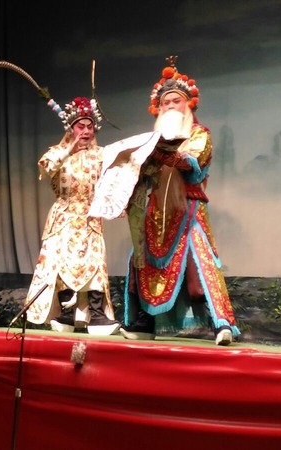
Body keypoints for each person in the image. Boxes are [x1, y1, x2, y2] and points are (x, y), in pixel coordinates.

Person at [93, 56, 240, 345]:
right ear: (158, 109)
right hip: (155, 209)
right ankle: (144, 322)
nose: (171, 107)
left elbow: (190, 162)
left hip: (188, 210)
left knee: (199, 267)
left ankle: (220, 323)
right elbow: (142, 174)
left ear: (188, 105)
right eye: (166, 103)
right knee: (142, 263)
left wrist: (160, 152)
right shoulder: (150, 141)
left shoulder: (199, 135)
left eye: (176, 101)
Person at [23, 96, 120, 336]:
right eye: (80, 126)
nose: (85, 131)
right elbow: (47, 168)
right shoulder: (57, 153)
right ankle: (66, 313)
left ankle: (96, 314)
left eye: (89, 127)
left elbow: (116, 181)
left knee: (94, 263)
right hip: (64, 216)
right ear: (71, 128)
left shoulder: (102, 155)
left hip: (90, 216)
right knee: (63, 264)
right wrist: (69, 149)